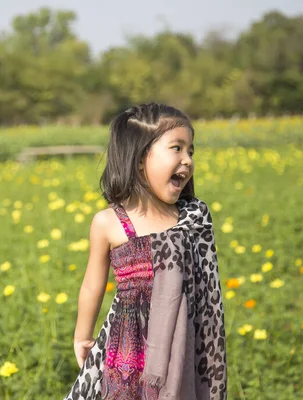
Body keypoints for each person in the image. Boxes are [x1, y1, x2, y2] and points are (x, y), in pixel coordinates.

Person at [63, 103, 227, 400]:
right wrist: (82, 335)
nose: (187, 160)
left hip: (184, 340)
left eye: (191, 151)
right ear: (140, 159)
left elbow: (207, 288)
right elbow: (92, 284)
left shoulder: (193, 216)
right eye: (177, 148)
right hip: (129, 345)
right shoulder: (109, 223)